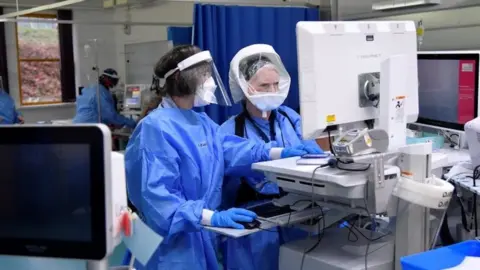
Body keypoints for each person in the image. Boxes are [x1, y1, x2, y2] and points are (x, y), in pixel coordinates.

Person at [124, 45, 318, 270]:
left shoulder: (201, 122)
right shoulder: (154, 128)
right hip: (169, 245)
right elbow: (157, 200)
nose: (211, 83)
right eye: (205, 76)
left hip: (199, 234)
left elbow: (232, 150)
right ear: (182, 79)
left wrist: (276, 152)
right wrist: (211, 217)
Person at [218, 44, 324, 270]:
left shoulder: (290, 118)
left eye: (276, 84)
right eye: (265, 85)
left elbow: (312, 151)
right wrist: (278, 154)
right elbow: (231, 163)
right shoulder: (229, 131)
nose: (273, 90)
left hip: (297, 215)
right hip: (254, 224)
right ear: (246, 88)